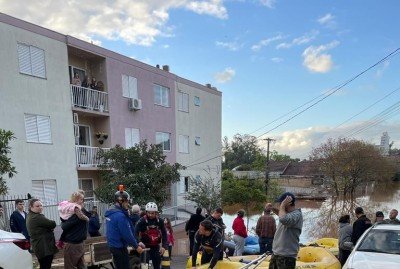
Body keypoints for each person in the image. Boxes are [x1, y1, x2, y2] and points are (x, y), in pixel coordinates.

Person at [105, 186, 143, 269]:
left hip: (113, 246)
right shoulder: (120, 216)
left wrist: (137, 241)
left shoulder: (111, 213)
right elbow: (127, 234)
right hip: (120, 248)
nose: (128, 204)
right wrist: (136, 246)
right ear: (120, 201)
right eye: (126, 202)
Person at [269, 192, 303, 269]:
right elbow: (282, 216)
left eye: (281, 202)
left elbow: (283, 219)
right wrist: (273, 209)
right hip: (276, 254)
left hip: (287, 257)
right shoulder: (287, 214)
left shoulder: (297, 214)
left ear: (287, 203)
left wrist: (282, 205)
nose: (280, 204)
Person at [61, 190, 90, 269]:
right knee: (81, 265)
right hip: (80, 243)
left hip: (73, 244)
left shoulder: (77, 214)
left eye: (82, 199)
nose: (82, 201)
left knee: (70, 266)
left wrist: (63, 222)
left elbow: (64, 227)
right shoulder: (83, 211)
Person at [26, 198, 58, 269]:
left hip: (39, 246)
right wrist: (49, 228)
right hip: (44, 247)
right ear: (31, 207)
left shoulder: (30, 215)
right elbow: (53, 224)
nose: (40, 207)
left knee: (43, 265)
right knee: (46, 266)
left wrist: (48, 228)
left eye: (41, 205)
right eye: (37, 206)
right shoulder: (37, 217)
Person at [136, 202, 168, 269]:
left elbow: (164, 234)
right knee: (145, 266)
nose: (150, 215)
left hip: (156, 247)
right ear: (146, 212)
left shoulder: (160, 221)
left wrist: (164, 246)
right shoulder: (142, 221)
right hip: (145, 247)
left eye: (152, 213)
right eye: (149, 213)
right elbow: (135, 233)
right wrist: (138, 242)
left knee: (157, 265)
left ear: (156, 213)